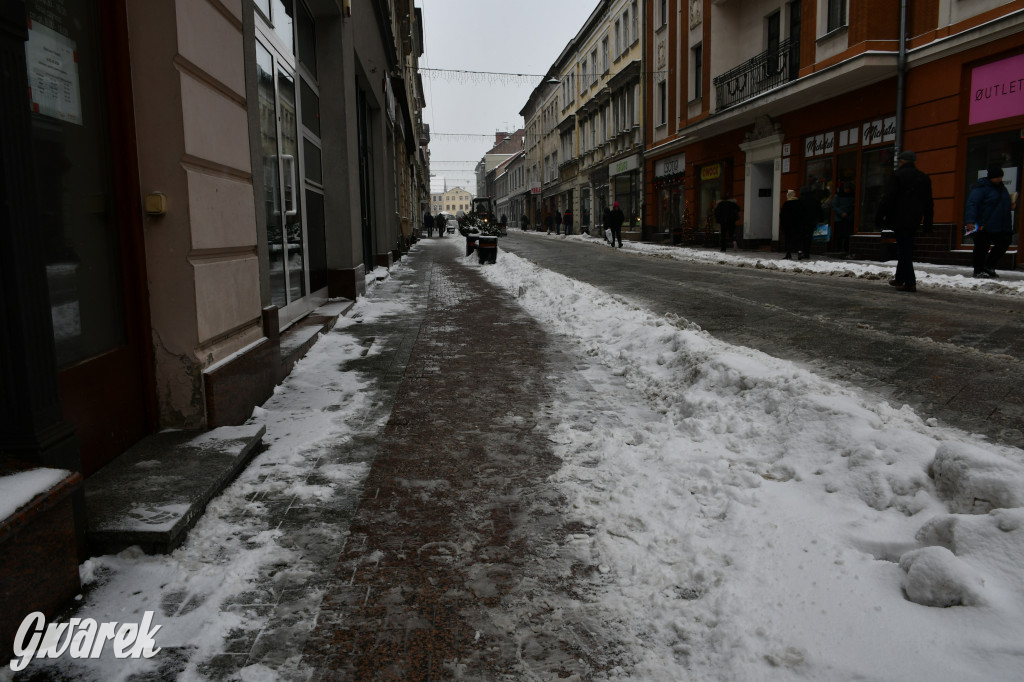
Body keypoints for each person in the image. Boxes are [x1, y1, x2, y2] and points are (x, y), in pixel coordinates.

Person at [875, 150, 934, 292]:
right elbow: (928, 202)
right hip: (915, 219)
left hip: (899, 218)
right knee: (905, 248)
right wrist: (928, 221)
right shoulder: (924, 178)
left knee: (904, 250)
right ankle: (900, 278)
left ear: (902, 161)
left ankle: (910, 282)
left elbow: (888, 198)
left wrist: (879, 216)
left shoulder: (898, 176)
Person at [965, 163, 1014, 278]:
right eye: (997, 177)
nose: (999, 179)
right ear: (991, 177)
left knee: (1005, 242)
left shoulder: (1002, 188)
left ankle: (989, 265)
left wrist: (1010, 205)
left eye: (1001, 176)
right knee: (982, 246)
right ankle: (978, 269)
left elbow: (1002, 203)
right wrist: (970, 221)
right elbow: (973, 204)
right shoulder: (981, 187)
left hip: (1001, 224)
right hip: (984, 223)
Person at [797, 177, 823, 259]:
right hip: (811, 222)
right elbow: (820, 210)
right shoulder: (815, 200)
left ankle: (801, 251)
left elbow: (797, 212)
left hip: (801, 222)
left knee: (801, 237)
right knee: (808, 238)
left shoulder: (800, 200)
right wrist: (820, 220)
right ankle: (807, 253)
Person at [831, 181, 855, 253]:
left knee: (847, 235)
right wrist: (841, 213)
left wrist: (848, 214)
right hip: (840, 218)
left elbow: (853, 206)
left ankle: (845, 248)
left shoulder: (852, 196)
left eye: (848, 189)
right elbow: (834, 206)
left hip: (848, 218)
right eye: (846, 188)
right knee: (839, 235)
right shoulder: (838, 195)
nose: (847, 190)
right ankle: (839, 248)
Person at [779, 189, 802, 259]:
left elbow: (782, 215)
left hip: (788, 225)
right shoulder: (799, 203)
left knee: (788, 239)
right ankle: (799, 252)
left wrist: (782, 225)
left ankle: (788, 253)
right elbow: (802, 214)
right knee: (798, 239)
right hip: (797, 224)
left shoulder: (786, 204)